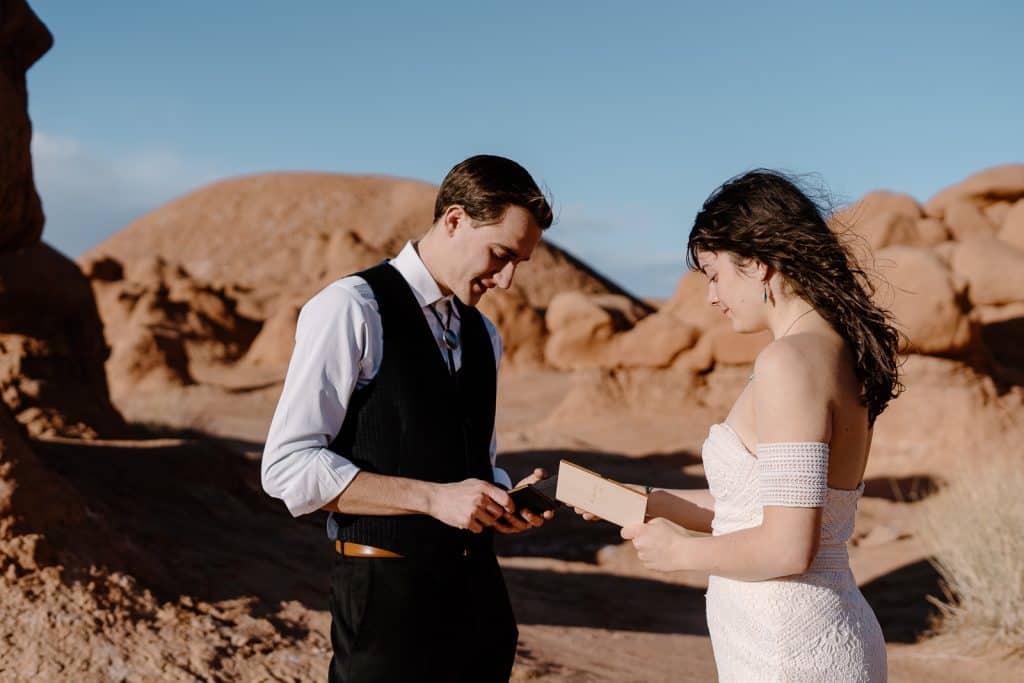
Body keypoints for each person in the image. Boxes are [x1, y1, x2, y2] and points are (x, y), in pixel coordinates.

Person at [261, 155, 556, 682]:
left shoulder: (485, 337)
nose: (507, 280)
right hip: (385, 600)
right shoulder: (351, 308)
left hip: (478, 603)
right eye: (500, 255)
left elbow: (470, 463)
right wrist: (433, 499)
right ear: (455, 220)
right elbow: (288, 468)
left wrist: (501, 498)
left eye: (520, 263)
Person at [612, 170, 901, 681]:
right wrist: (647, 499)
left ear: (759, 264)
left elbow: (789, 547)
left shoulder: (788, 362)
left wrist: (679, 553)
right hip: (799, 639)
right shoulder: (832, 351)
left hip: (789, 652)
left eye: (713, 272)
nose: (711, 296)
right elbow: (765, 508)